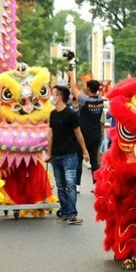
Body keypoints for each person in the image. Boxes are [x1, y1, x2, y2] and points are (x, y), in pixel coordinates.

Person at [45, 85, 90, 224]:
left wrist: (84, 150)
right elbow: (51, 134)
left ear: (59, 97)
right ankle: (64, 213)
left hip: (70, 155)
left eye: (53, 94)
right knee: (60, 186)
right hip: (56, 156)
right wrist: (49, 153)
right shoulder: (53, 114)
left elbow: (78, 133)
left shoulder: (71, 114)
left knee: (70, 185)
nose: (51, 97)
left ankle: (72, 214)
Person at [68, 70, 105, 193]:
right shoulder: (100, 100)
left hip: (83, 135)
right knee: (94, 160)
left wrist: (71, 76)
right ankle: (95, 185)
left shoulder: (85, 100)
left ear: (88, 89)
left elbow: (74, 89)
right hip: (96, 134)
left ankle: (77, 185)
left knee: (78, 159)